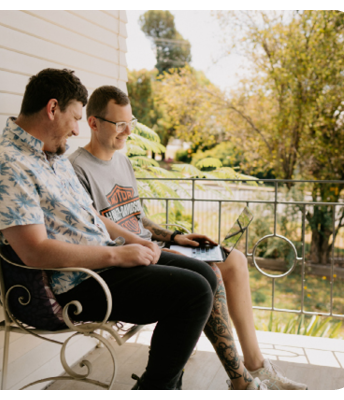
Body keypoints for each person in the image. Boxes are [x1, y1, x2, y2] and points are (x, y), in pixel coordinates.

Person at [0, 69, 220, 390]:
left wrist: (138, 243)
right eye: (76, 118)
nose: (77, 129)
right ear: (52, 109)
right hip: (80, 281)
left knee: (206, 273)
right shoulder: (8, 164)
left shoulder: (52, 155)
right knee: (194, 292)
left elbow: (90, 214)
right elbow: (34, 252)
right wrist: (118, 255)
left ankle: (163, 387)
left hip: (105, 262)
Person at [69, 85, 308, 390]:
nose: (128, 131)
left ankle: (256, 366)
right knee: (209, 272)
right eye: (120, 124)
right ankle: (241, 380)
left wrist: (175, 237)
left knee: (233, 260)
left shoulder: (122, 161)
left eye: (132, 122)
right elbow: (94, 228)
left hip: (155, 246)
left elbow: (136, 217)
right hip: (131, 260)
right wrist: (160, 248)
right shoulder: (77, 169)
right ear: (93, 123)